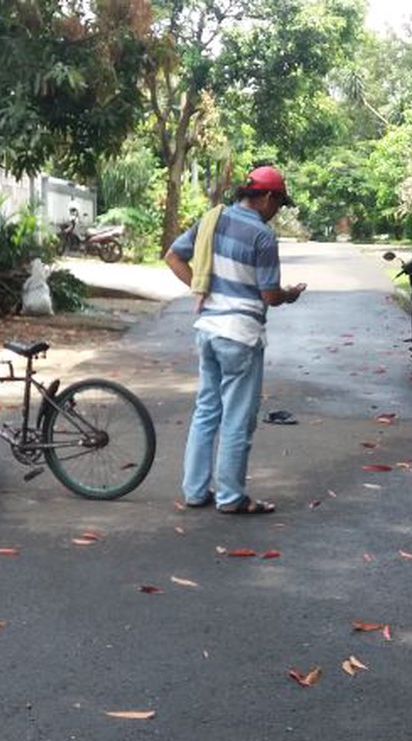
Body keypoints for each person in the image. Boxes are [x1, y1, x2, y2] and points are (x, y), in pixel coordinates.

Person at [163, 165, 307, 515]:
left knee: (207, 411)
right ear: (268, 198)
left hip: (208, 330)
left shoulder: (213, 219)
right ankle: (230, 496)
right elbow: (269, 295)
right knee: (237, 417)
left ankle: (195, 491)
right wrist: (290, 294)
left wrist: (205, 289)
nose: (277, 213)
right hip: (240, 336)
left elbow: (172, 256)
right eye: (279, 204)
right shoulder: (263, 237)